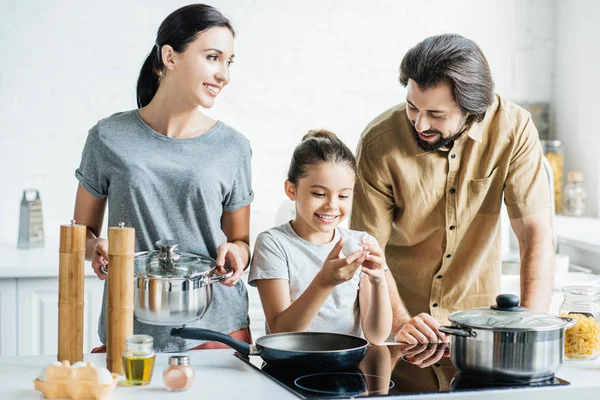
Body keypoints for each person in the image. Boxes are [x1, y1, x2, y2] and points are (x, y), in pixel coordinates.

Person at [350, 33, 554, 344]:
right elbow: (367, 250)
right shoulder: (379, 142)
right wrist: (401, 322)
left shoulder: (514, 130)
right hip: (398, 327)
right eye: (412, 107)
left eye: (436, 114)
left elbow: (534, 233)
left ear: (472, 108)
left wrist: (530, 331)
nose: (420, 124)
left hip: (480, 330)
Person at [73, 4, 253, 352]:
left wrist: (237, 254)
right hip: (129, 330)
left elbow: (241, 241)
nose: (224, 75)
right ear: (170, 57)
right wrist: (96, 248)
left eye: (228, 62)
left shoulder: (233, 147)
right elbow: (81, 234)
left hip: (216, 332)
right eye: (213, 57)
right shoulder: (108, 137)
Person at [248, 130, 392, 344]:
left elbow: (376, 335)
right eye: (319, 194)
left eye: (343, 195)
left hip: (346, 368)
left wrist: (379, 280)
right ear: (291, 190)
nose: (332, 205)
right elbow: (281, 333)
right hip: (288, 369)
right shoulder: (273, 244)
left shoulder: (361, 243)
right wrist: (325, 282)